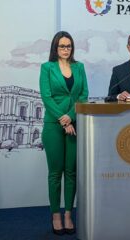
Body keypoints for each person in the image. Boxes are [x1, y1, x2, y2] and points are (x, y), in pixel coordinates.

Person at [39, 31, 89, 235]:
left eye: (68, 46)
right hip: (53, 125)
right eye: (62, 46)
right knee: (55, 173)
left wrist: (70, 116)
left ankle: (68, 214)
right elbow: (46, 97)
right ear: (55, 48)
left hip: (74, 124)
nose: (66, 49)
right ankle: (55, 215)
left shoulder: (79, 67)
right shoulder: (47, 68)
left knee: (71, 172)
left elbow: (84, 95)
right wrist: (63, 119)